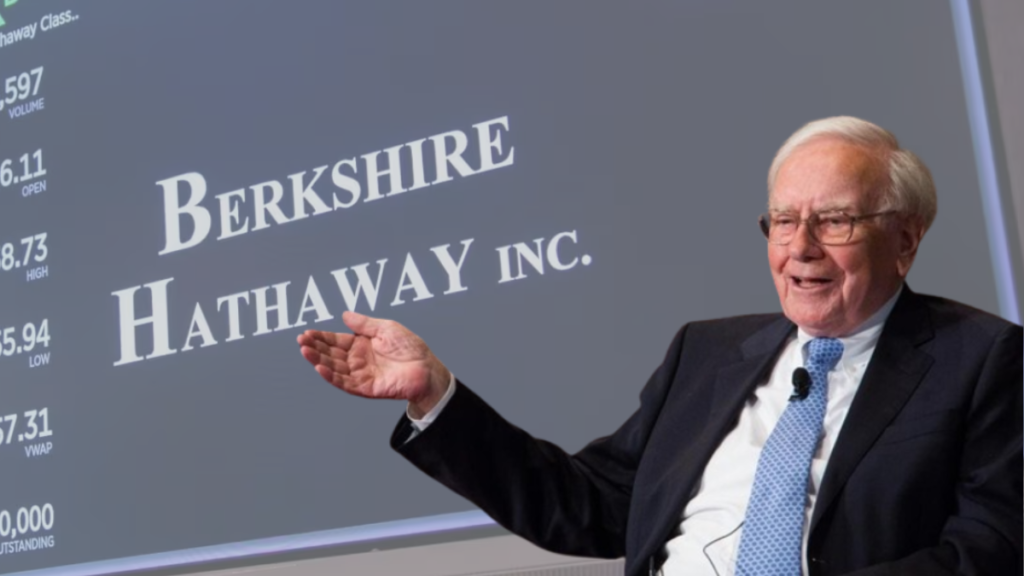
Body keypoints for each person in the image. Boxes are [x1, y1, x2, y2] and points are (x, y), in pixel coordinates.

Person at [297, 117, 1022, 576]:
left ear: (904, 238)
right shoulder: (705, 354)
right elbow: (591, 507)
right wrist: (435, 395)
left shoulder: (982, 360)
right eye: (781, 221)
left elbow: (991, 550)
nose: (800, 248)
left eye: (833, 221)